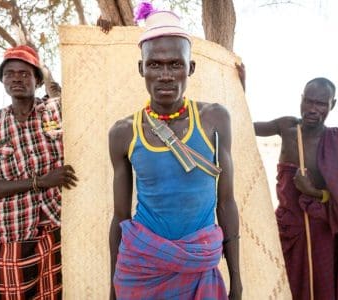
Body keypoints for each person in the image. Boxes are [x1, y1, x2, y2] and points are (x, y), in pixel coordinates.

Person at [108, 3, 242, 300]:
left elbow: (227, 202)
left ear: (190, 67)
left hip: (199, 269)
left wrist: (237, 282)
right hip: (141, 271)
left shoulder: (215, 119)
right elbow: (120, 216)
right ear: (141, 68)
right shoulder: (123, 132)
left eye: (175, 64)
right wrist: (112, 288)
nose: (165, 75)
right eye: (155, 64)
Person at [254, 77, 338, 299]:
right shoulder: (286, 127)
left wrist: (313, 192)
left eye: (321, 104)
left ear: (333, 105)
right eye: (309, 101)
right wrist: (240, 87)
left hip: (321, 232)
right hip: (286, 228)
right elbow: (244, 126)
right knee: (281, 287)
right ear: (301, 99)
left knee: (319, 289)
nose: (313, 109)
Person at [0, 45, 78, 299]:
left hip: (57, 227)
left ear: (38, 80)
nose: (17, 78)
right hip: (12, 231)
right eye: (10, 73)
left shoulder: (59, 112)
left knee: (58, 293)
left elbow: (96, 95)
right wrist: (39, 182)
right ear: (2, 80)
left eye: (25, 73)